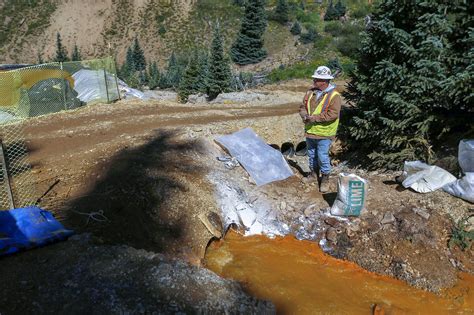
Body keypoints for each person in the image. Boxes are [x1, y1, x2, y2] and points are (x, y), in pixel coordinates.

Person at [299, 66, 342, 193]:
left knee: (322, 156)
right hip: (311, 131)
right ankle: (313, 174)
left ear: (324, 81)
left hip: (325, 133)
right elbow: (302, 107)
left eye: (317, 79)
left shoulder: (334, 96)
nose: (314, 81)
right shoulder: (310, 92)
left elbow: (332, 114)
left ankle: (325, 179)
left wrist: (314, 118)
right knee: (311, 155)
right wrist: (304, 115)